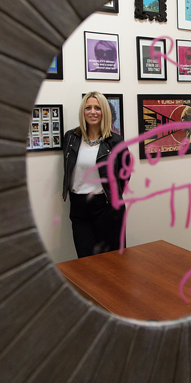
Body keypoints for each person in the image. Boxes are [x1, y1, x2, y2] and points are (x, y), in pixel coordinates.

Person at [63, 91, 129, 258]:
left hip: (107, 206)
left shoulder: (116, 141)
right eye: (88, 107)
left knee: (113, 261)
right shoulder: (71, 138)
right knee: (85, 260)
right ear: (83, 111)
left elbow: (125, 173)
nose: (92, 112)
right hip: (79, 206)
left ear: (104, 112)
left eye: (97, 108)